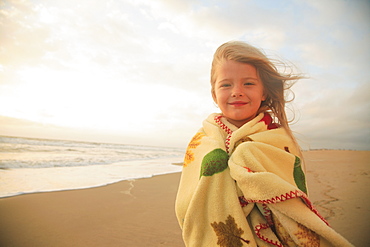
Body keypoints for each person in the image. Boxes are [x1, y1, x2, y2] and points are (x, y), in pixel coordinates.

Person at [175, 41, 353, 247]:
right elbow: (188, 198)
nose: (237, 91)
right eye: (226, 84)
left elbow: (292, 194)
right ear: (215, 94)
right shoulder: (203, 140)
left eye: (248, 83)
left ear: (264, 92)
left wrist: (246, 158)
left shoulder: (278, 139)